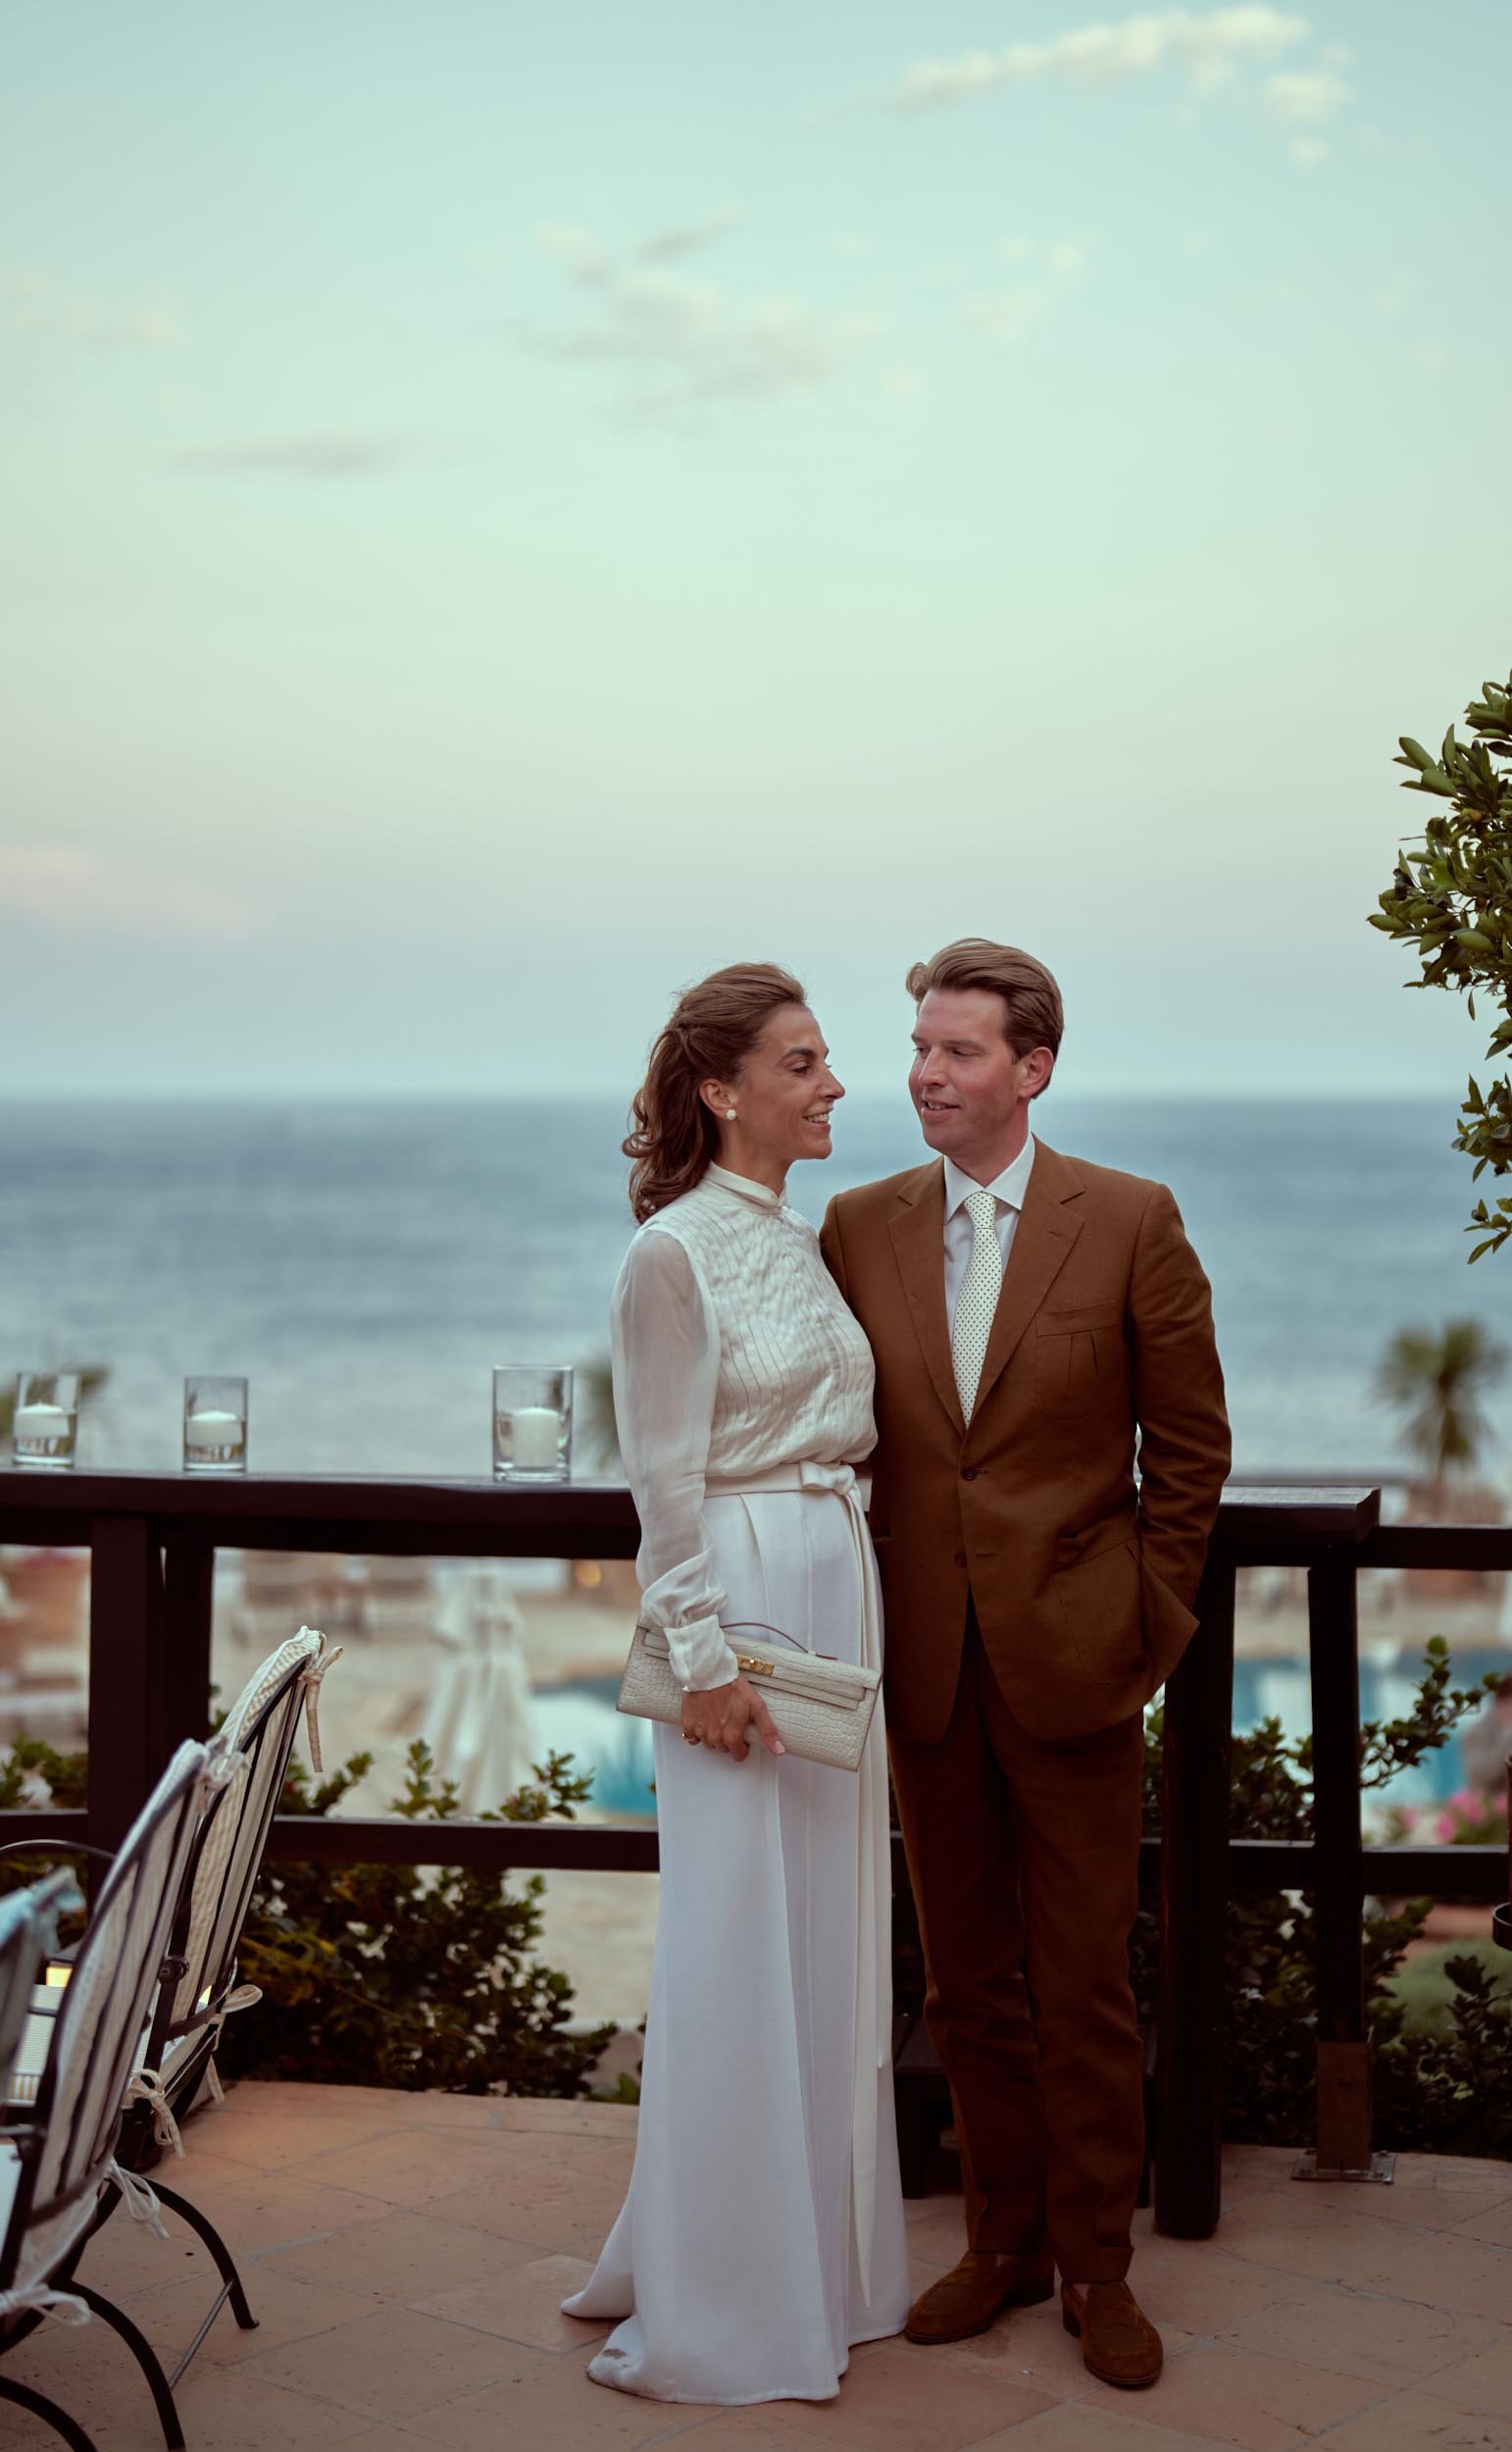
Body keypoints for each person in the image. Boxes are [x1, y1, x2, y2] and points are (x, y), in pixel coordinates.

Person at [820, 938, 1230, 2392]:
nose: (923, 1074)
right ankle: (1000, 2247)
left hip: (1076, 1661)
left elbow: (1186, 1451)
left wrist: (1143, 1626)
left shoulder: (1126, 1220)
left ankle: (1098, 2268)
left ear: (1030, 1069)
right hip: (924, 1662)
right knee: (968, 1985)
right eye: (920, 1047)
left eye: (958, 1052)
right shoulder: (857, 1226)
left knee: (1082, 1982)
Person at [563, 962, 911, 2404]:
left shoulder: (804, 1236)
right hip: (744, 1616)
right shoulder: (673, 1255)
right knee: (733, 1945)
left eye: (827, 1061)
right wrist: (699, 1665)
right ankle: (725, 2299)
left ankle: (821, 2267)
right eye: (802, 1062)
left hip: (834, 1584)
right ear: (721, 1088)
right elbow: (662, 1482)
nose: (834, 1084)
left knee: (832, 1939)